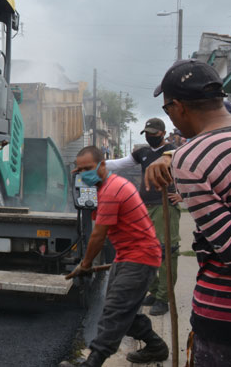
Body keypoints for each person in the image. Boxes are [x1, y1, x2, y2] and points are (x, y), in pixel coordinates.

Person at [144, 59, 231, 366]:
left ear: (179, 107)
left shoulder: (191, 159)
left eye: (168, 111)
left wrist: (175, 154)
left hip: (224, 318)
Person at [66, 146, 167, 366]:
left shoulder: (113, 190)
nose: (84, 174)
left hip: (141, 256)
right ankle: (156, 346)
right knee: (123, 309)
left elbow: (98, 235)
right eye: (80, 170)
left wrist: (85, 264)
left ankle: (93, 361)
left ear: (103, 165)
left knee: (115, 310)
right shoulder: (104, 187)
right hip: (126, 254)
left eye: (88, 168)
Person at [104, 117, 182, 316]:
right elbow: (120, 164)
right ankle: (155, 291)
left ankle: (164, 298)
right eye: (147, 133)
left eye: (153, 134)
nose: (149, 137)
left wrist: (183, 194)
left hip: (164, 207)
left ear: (162, 134)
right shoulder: (143, 152)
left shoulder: (174, 151)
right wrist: (97, 163)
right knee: (147, 251)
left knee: (166, 251)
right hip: (144, 207)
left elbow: (191, 172)